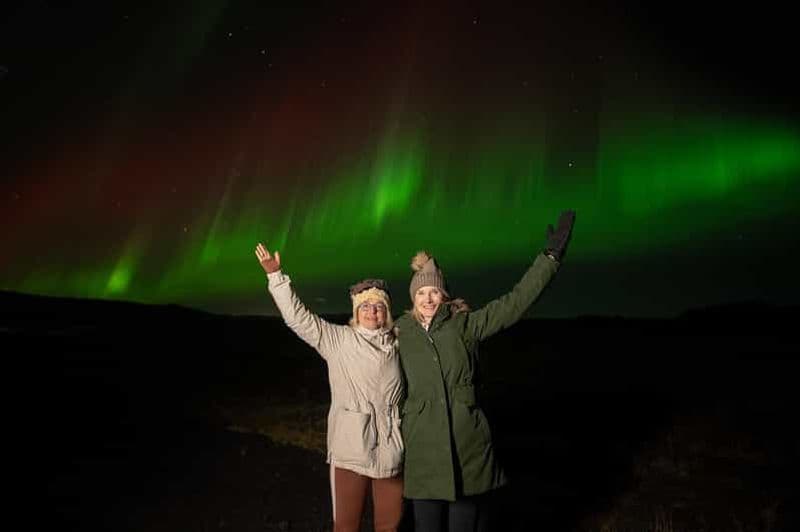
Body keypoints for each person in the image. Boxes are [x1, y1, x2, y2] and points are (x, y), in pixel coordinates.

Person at [395, 210, 576, 532]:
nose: (427, 298)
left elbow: (514, 302)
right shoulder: (400, 332)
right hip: (423, 446)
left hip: (467, 445)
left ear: (445, 296)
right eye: (421, 292)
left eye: (434, 291)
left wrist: (549, 258)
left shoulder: (465, 324)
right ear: (412, 297)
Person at [255, 242, 406, 532]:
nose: (372, 312)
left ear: (387, 312)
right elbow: (298, 318)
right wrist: (276, 277)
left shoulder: (399, 345)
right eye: (365, 306)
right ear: (355, 312)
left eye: (378, 306)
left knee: (390, 526)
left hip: (391, 451)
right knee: (346, 527)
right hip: (351, 448)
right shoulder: (338, 340)